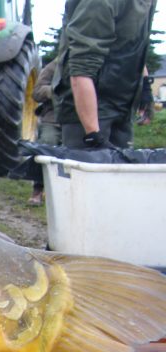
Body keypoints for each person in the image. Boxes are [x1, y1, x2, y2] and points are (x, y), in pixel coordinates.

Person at [53, 0, 157, 149]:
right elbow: (81, 67)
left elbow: (134, 47)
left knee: (123, 169)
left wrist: (145, 87)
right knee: (90, 169)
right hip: (89, 109)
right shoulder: (100, 2)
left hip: (123, 106)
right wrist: (93, 135)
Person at [28, 58, 60, 206]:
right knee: (46, 145)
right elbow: (37, 92)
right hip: (53, 118)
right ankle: (38, 189)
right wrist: (56, 90)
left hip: (81, 120)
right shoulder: (56, 65)